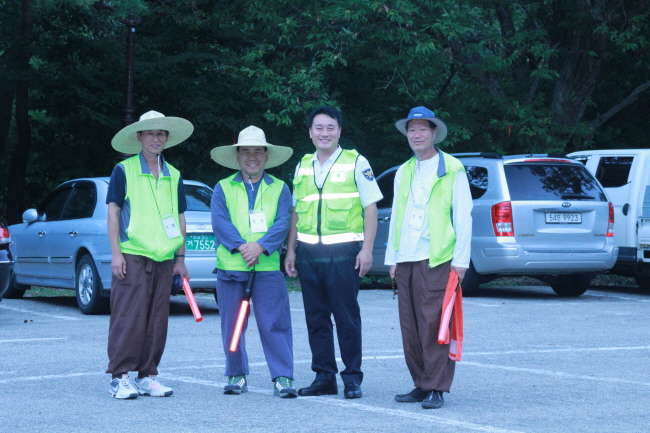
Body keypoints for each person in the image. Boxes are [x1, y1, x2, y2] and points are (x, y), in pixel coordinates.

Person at [285, 106, 383, 399]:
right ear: (310, 132)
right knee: (315, 318)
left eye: (330, 127)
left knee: (346, 317)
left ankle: (352, 378)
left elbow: (370, 208)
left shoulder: (356, 162)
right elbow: (296, 212)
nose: (324, 133)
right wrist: (290, 250)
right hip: (308, 253)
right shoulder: (303, 165)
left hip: (344, 253)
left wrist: (367, 250)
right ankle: (324, 377)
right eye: (319, 127)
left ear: (339, 131)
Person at [385, 106, 472, 409]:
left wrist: (461, 261)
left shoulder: (452, 168)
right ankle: (421, 383)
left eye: (423, 129)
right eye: (412, 129)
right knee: (410, 326)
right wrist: (392, 258)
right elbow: (396, 215)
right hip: (406, 257)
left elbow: (464, 216)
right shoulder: (404, 171)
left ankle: (436, 387)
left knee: (435, 324)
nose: (417, 134)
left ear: (434, 132)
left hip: (437, 258)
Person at [106, 110, 193, 399]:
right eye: (150, 133)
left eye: (160, 134)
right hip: (132, 254)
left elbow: (180, 218)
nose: (156, 138)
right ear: (139, 137)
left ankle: (147, 375)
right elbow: (113, 212)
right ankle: (120, 376)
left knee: (157, 319)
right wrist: (116, 254)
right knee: (128, 316)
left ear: (166, 138)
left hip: (164, 257)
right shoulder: (124, 169)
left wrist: (180, 259)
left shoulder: (174, 174)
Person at [210, 126, 297, 398]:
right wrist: (241, 247)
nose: (252, 156)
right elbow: (220, 222)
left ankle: (282, 377)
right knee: (233, 325)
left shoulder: (280, 188)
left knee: (275, 324)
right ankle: (236, 374)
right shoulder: (222, 187)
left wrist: (260, 246)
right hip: (231, 267)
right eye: (246, 151)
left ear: (266, 155)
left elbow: (283, 221)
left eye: (257, 151)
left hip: (267, 267)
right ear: (237, 156)